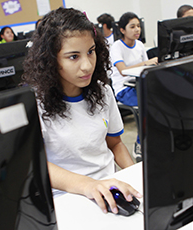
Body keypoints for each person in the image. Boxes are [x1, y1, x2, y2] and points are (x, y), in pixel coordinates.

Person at [22, 7, 142, 215]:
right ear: (51, 59)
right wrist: (88, 185)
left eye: (90, 52)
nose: (87, 65)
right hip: (66, 198)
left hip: (109, 189)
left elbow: (115, 144)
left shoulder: (103, 92)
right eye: (73, 57)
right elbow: (36, 167)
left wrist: (136, 177)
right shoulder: (34, 103)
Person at [109, 12, 158, 162]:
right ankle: (140, 143)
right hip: (124, 89)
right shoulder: (117, 47)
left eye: (138, 26)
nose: (137, 29)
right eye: (132, 27)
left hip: (139, 85)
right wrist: (146, 63)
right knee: (148, 105)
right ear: (122, 30)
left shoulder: (140, 45)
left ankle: (155, 141)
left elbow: (149, 68)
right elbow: (123, 71)